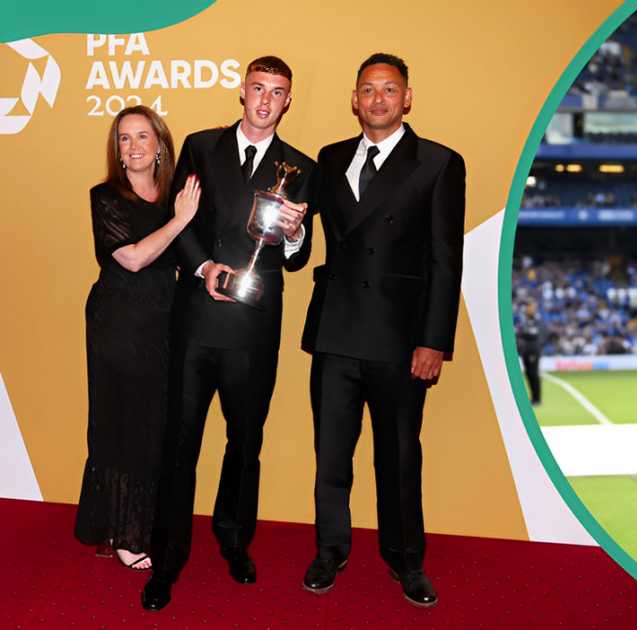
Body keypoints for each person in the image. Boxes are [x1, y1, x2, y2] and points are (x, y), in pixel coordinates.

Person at [142, 56, 315, 611]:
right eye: (258, 88)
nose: (266, 99)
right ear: (242, 92)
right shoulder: (199, 145)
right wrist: (203, 268)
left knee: (246, 444)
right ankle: (165, 562)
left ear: (288, 101)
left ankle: (235, 542)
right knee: (179, 445)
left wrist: (294, 234)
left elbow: (298, 258)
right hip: (195, 320)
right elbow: (178, 217)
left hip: (254, 328)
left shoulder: (300, 167)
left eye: (278, 92)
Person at [299, 52, 465, 608]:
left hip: (400, 342)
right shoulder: (329, 158)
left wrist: (434, 339)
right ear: (354, 99)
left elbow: (447, 259)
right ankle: (330, 551)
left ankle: (406, 561)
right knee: (331, 456)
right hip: (336, 334)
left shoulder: (439, 163)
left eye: (389, 90)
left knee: (398, 458)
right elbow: (302, 240)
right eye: (367, 89)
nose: (377, 99)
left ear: (407, 98)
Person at [75, 106, 200, 571]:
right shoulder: (106, 196)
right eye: (124, 139)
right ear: (118, 151)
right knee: (125, 424)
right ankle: (124, 533)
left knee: (154, 427)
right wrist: (181, 221)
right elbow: (131, 258)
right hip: (119, 323)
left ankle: (136, 523)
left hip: (164, 323)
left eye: (143, 136)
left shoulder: (174, 197)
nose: (133, 146)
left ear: (160, 144)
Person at [516, 300, 543, 405]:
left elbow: (534, 333)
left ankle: (537, 398)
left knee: (533, 374)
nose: (527, 309)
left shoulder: (536, 319)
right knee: (528, 373)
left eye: (529, 307)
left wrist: (521, 333)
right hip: (526, 350)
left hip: (533, 349)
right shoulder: (525, 319)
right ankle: (533, 397)